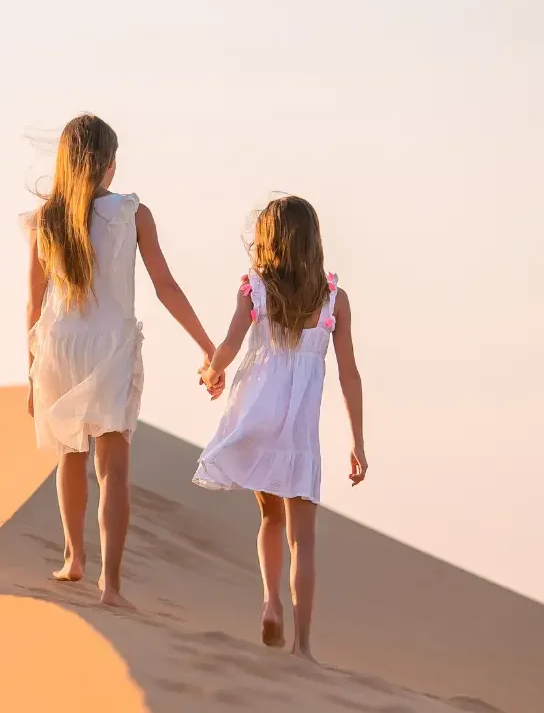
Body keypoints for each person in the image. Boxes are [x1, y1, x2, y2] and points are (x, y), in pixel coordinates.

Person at [23, 113, 215, 609]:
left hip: (60, 343)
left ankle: (73, 558)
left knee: (70, 454)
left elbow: (33, 303)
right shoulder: (132, 213)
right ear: (108, 165)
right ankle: (110, 584)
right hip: (110, 346)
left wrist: (30, 374)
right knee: (113, 468)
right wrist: (207, 346)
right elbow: (165, 286)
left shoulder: (47, 219)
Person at [193, 194, 367, 660]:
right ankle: (303, 646)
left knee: (269, 517)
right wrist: (358, 442)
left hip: (259, 416)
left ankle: (271, 601)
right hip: (299, 433)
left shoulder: (255, 290)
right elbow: (349, 373)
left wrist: (212, 372)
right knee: (302, 539)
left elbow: (230, 343)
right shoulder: (334, 299)